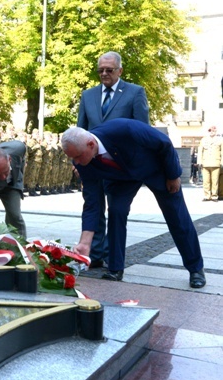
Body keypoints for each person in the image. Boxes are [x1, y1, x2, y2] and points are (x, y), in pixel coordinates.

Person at [61, 120, 206, 288]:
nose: (76, 163)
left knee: (177, 216)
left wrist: (173, 175)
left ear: (91, 144)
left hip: (155, 169)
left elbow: (164, 144)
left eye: (77, 157)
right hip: (121, 178)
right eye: (72, 159)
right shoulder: (82, 160)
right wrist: (85, 243)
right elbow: (92, 203)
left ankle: (195, 268)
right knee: (116, 211)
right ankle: (115, 268)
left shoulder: (125, 129)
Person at [76, 51, 149, 269]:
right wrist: (79, 161)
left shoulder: (135, 93)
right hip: (92, 164)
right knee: (93, 206)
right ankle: (95, 253)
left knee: (116, 209)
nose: (104, 74)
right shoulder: (88, 95)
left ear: (120, 70)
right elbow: (81, 129)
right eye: (100, 70)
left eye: (109, 70)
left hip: (119, 165)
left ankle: (110, 253)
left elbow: (142, 130)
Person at [197, 125, 222, 202]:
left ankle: (214, 196)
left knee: (215, 181)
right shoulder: (203, 140)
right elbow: (200, 151)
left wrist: (222, 162)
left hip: (216, 163)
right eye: (210, 131)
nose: (211, 132)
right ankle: (207, 196)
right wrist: (199, 161)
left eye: (213, 131)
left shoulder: (220, 140)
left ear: (216, 131)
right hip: (205, 163)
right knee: (206, 181)